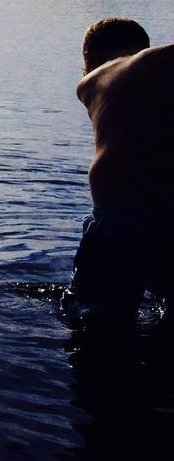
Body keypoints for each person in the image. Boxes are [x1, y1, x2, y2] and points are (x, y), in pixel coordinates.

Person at [67, 17, 174, 330]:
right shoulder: (139, 67)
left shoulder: (92, 82)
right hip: (148, 217)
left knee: (97, 324)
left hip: (117, 218)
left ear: (88, 58)